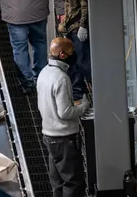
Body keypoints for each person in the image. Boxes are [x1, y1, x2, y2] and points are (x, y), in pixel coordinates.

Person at [38, 37, 90, 197]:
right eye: (71, 52)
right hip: (63, 139)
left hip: (49, 135)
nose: (73, 54)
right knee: (73, 182)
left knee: (58, 182)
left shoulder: (44, 72)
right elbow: (65, 113)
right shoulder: (61, 78)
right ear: (62, 54)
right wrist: (83, 106)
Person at [57, 0, 91, 102]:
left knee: (84, 62)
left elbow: (84, 2)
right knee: (74, 62)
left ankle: (95, 90)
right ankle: (78, 94)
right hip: (71, 26)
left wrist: (83, 25)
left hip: (78, 26)